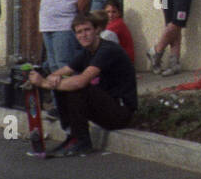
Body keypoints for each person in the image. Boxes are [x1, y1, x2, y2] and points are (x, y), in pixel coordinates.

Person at [28, 11, 137, 157]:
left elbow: (81, 82)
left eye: (87, 30)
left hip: (122, 112)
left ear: (96, 30)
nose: (83, 35)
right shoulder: (87, 52)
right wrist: (53, 77)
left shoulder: (107, 50)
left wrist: (43, 83)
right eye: (79, 32)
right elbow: (63, 71)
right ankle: (72, 135)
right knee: (64, 84)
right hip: (106, 106)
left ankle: (82, 142)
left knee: (78, 87)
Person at [98, 0, 136, 64]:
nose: (110, 15)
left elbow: (101, 40)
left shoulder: (118, 24)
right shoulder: (109, 24)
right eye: (108, 12)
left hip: (124, 63)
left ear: (119, 13)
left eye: (114, 12)